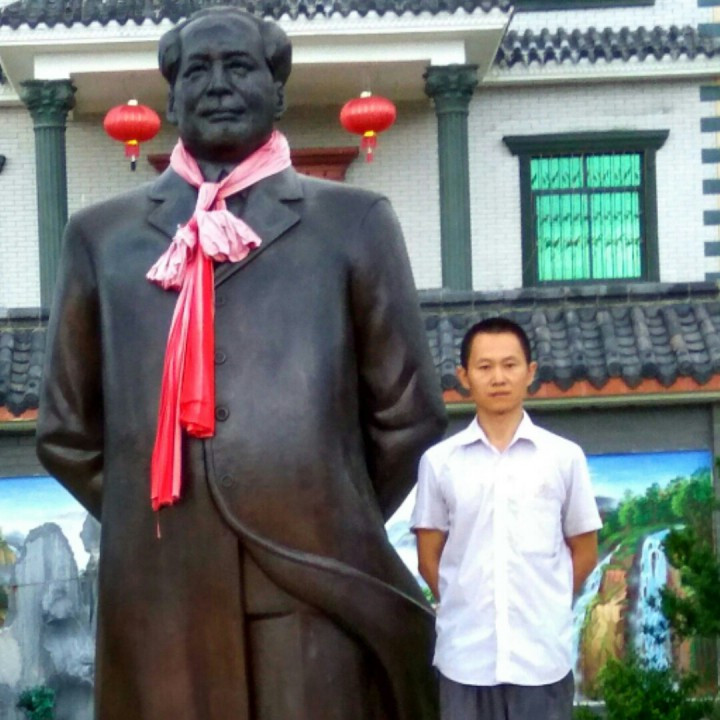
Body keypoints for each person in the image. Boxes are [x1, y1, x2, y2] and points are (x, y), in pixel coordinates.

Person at [36, 7, 446, 720]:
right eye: (198, 70)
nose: (219, 84)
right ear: (171, 98)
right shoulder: (101, 238)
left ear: (278, 91)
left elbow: (408, 416)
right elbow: (67, 431)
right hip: (162, 590)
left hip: (315, 586)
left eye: (239, 66)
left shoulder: (354, 222)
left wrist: (315, 505)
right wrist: (165, 518)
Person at [411, 317, 601, 720]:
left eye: (509, 365)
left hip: (541, 660)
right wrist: (467, 602)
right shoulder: (439, 463)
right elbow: (429, 559)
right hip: (465, 660)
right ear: (464, 376)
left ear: (530, 373)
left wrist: (545, 603)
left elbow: (584, 551)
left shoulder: (564, 458)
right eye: (484, 367)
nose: (498, 377)